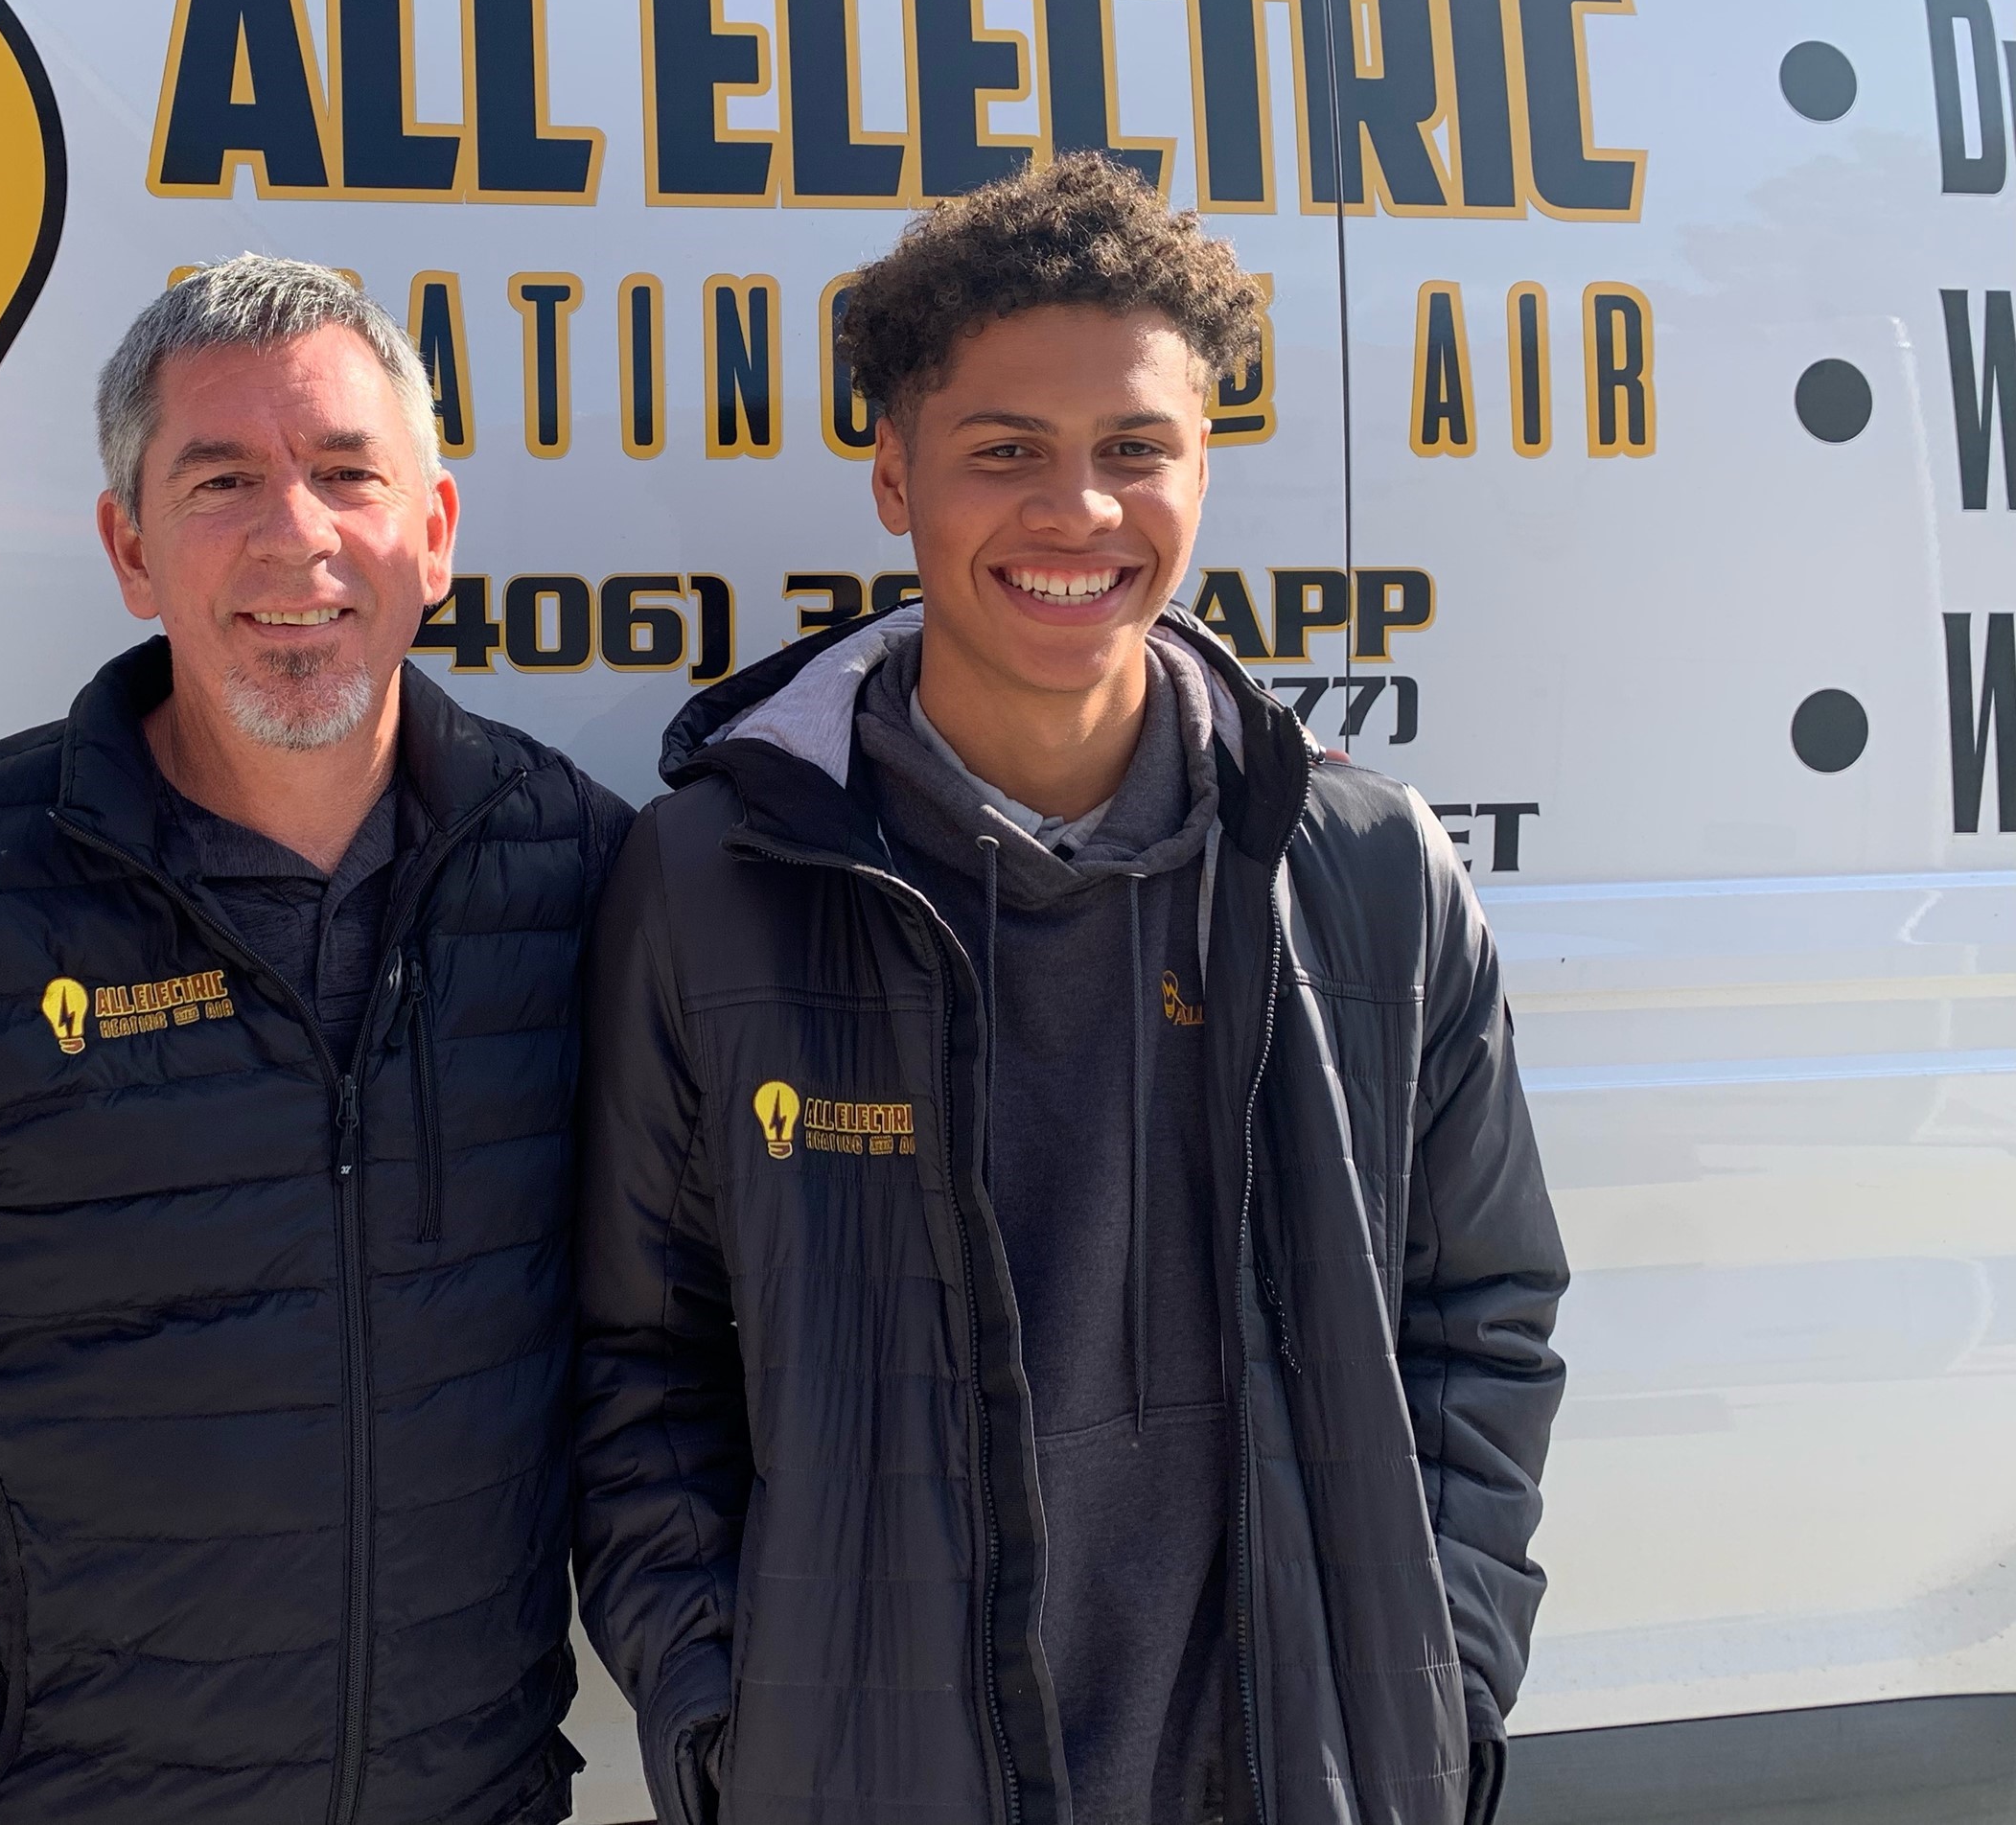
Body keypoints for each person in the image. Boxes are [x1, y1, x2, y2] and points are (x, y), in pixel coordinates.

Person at [572, 157, 1567, 1825]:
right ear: (894, 476)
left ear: (1203, 465)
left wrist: (1436, 1693)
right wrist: (738, 1738)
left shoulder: (1370, 872)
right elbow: (634, 1363)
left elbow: (1484, 1327)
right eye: (1006, 452)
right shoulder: (711, 883)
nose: (1078, 513)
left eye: (1134, 450)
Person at [0, 256, 630, 1825]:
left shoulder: (582, 878)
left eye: (344, 474)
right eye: (222, 479)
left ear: (432, 534)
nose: (294, 536)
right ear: (129, 546)